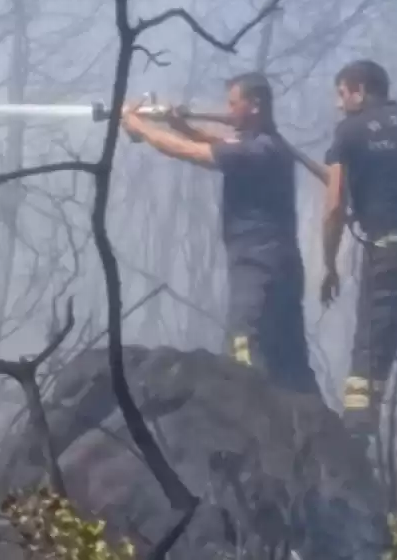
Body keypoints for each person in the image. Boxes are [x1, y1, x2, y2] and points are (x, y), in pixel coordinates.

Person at [120, 72, 320, 396]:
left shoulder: (259, 150)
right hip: (278, 263)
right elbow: (214, 144)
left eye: (233, 103)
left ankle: (254, 417)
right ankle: (318, 429)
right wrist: (178, 123)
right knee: (290, 356)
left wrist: (138, 125)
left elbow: (190, 152)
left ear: (254, 105)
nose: (227, 110)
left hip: (257, 264)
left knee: (243, 342)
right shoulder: (264, 146)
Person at [320, 59, 397, 440]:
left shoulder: (349, 133)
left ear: (359, 90)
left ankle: (355, 463)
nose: (340, 105)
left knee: (367, 370)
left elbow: (335, 207)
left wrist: (329, 265)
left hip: (390, 258)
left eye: (342, 94)